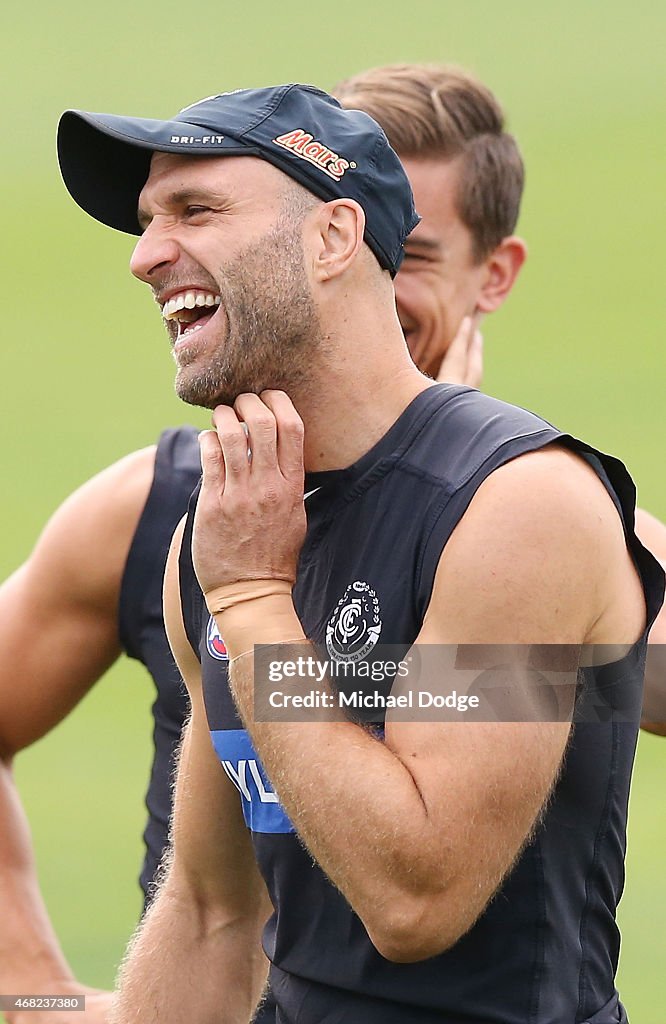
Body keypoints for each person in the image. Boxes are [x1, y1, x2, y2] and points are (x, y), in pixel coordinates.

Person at [2, 63, 665, 1024]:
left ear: (331, 235)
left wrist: (257, 605)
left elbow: (414, 901)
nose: (146, 255)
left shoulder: (521, 506)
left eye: (193, 209)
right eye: (149, 221)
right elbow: (211, 915)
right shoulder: (222, 532)